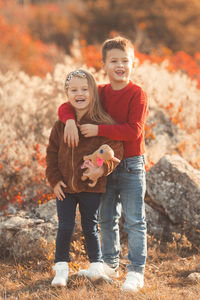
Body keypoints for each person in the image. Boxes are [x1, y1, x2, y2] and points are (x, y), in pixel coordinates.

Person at [58, 36, 149, 292]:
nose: (120, 66)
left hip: (131, 164)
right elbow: (68, 104)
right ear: (104, 65)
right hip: (102, 166)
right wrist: (68, 121)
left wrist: (98, 128)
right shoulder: (99, 92)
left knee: (134, 220)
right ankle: (109, 264)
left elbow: (134, 131)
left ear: (134, 62)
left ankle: (135, 272)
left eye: (125, 61)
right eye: (114, 61)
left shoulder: (137, 94)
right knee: (106, 217)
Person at [46, 69, 123, 287]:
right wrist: (54, 180)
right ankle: (61, 268)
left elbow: (116, 149)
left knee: (90, 225)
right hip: (65, 188)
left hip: (91, 185)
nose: (79, 94)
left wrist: (102, 168)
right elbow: (51, 154)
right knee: (65, 226)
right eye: (73, 90)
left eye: (84, 89)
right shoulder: (60, 125)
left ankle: (96, 266)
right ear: (67, 93)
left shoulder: (101, 122)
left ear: (93, 92)